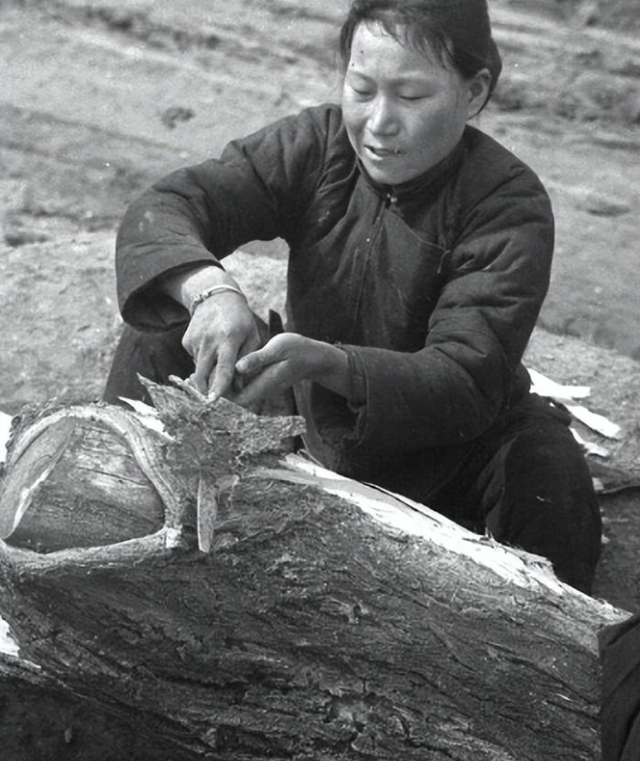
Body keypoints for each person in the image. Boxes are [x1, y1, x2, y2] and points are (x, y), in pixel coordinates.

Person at [104, 0, 602, 593]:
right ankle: (106, 507)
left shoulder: (507, 205)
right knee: (164, 325)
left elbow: (465, 379)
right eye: (361, 88)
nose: (378, 123)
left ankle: (540, 637)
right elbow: (170, 206)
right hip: (304, 426)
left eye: (412, 97)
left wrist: (334, 365)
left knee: (545, 465)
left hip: (442, 468)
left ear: (474, 93)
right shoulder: (317, 146)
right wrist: (211, 292)